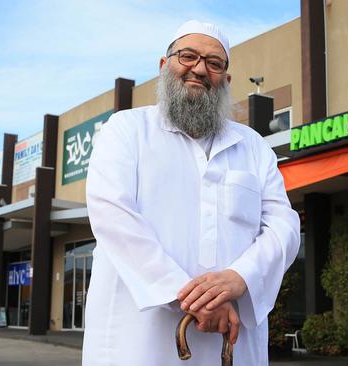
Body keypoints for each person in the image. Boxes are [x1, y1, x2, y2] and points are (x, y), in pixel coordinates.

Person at [83, 20, 300, 365]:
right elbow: (114, 216)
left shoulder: (254, 147)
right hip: (138, 341)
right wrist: (193, 299)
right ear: (163, 65)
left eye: (214, 63)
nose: (199, 69)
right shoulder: (126, 131)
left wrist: (239, 278)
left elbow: (284, 228)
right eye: (187, 56)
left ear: (226, 80)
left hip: (233, 343)